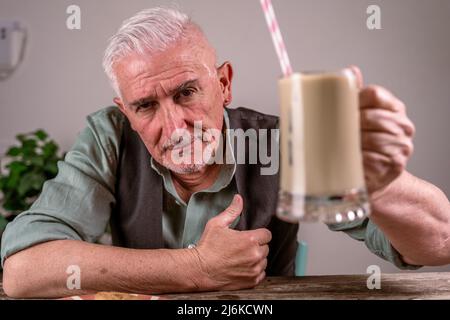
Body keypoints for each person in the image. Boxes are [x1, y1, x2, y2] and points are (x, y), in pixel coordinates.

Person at [1, 7, 449, 298]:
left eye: (188, 91)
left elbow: (439, 244)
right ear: (126, 112)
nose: (174, 126)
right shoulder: (108, 137)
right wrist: (195, 268)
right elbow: (21, 273)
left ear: (224, 83)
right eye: (145, 106)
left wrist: (383, 182)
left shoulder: (283, 142)